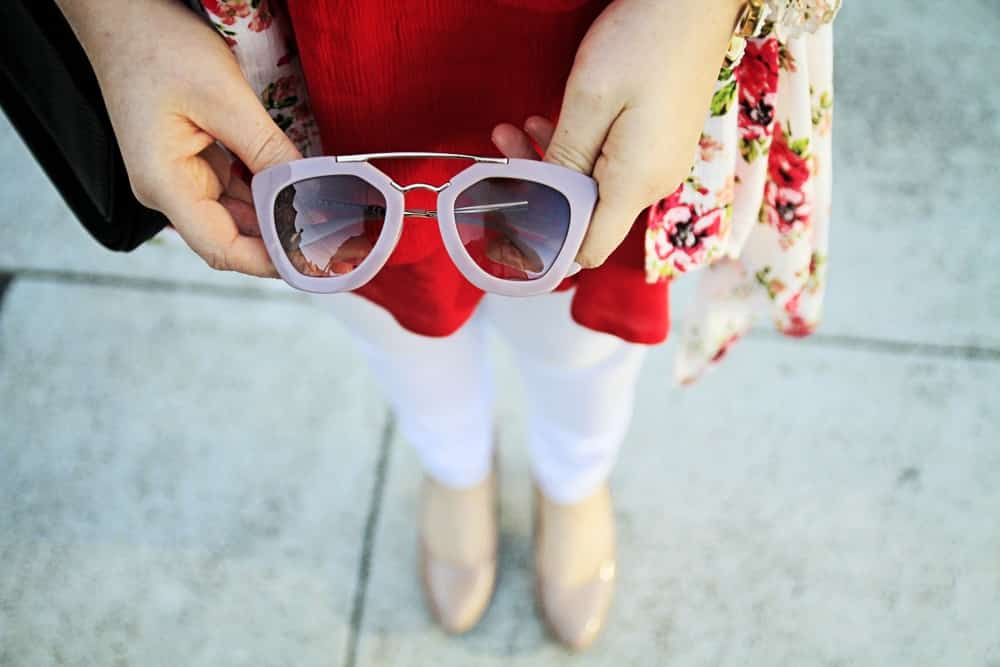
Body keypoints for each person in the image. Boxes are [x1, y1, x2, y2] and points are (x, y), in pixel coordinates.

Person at [10, 0, 838, 651]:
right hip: (326, 48)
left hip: (613, 35)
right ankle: (452, 463)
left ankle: (574, 474)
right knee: (384, 303)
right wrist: (110, 14)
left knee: (584, 317)